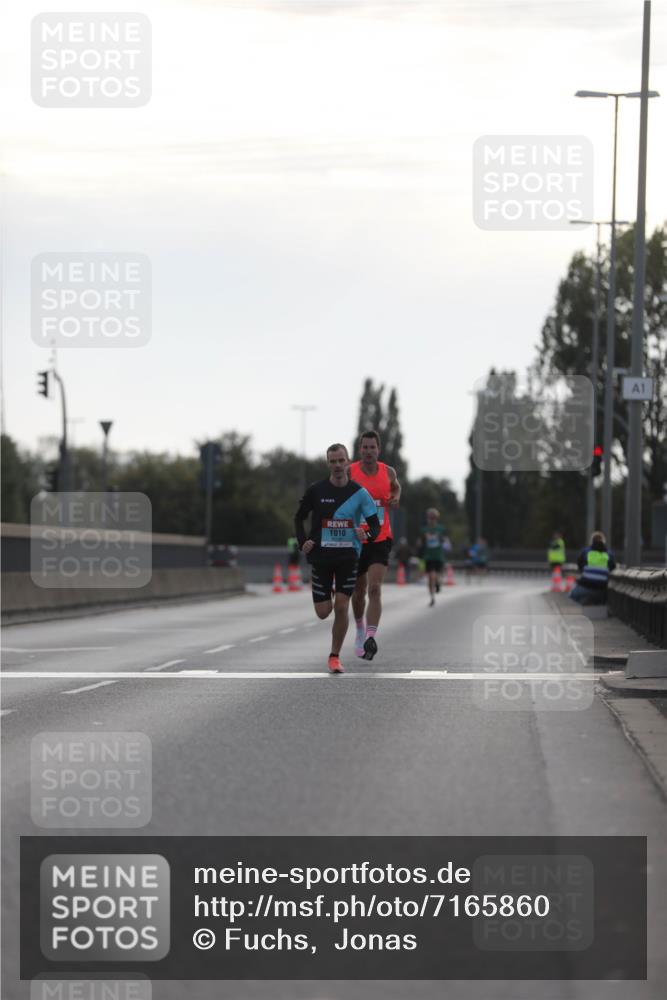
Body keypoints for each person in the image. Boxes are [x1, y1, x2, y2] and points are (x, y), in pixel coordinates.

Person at [294, 443, 380, 673]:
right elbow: (299, 518)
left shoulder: (359, 493)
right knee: (323, 612)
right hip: (321, 557)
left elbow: (375, 525)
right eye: (333, 461)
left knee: (342, 606)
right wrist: (303, 542)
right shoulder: (316, 490)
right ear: (328, 463)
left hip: (348, 557)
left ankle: (334, 657)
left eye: (341, 461)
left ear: (348, 461)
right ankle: (329, 589)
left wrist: (367, 534)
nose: (338, 465)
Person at [349, 430, 401, 660]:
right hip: (357, 538)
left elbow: (396, 487)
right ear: (360, 450)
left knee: (375, 588)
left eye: (372, 447)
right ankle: (360, 627)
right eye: (365, 447)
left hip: (380, 537)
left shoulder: (388, 471)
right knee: (358, 592)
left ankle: (371, 636)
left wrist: (396, 497)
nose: (368, 451)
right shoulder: (350, 472)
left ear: (378, 450)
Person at [569, 531, 616, 606]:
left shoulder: (586, 551)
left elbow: (580, 565)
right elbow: (612, 566)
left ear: (592, 541)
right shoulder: (608, 553)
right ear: (603, 541)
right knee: (600, 597)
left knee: (572, 594)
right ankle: (596, 603)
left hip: (586, 586)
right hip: (602, 588)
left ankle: (587, 602)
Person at [417, 508, 448, 606]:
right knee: (430, 577)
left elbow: (445, 541)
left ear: (436, 518)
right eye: (430, 518)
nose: (431, 520)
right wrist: (422, 541)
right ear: (427, 518)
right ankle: (432, 597)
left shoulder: (441, 529)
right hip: (428, 556)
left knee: (436, 575)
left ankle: (438, 583)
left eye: (433, 518)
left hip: (438, 555)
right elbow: (420, 543)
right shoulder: (424, 530)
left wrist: (439, 538)